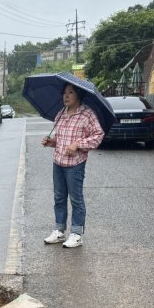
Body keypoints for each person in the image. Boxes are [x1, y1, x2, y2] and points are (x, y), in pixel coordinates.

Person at [41, 83, 104, 248]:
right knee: (59, 198)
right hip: (58, 163)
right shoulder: (61, 114)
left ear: (78, 96)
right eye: (64, 93)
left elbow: (98, 136)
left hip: (75, 164)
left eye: (70, 92)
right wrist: (50, 142)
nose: (66, 96)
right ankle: (60, 231)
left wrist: (78, 144)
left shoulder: (87, 114)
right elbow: (60, 140)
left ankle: (76, 233)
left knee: (76, 199)